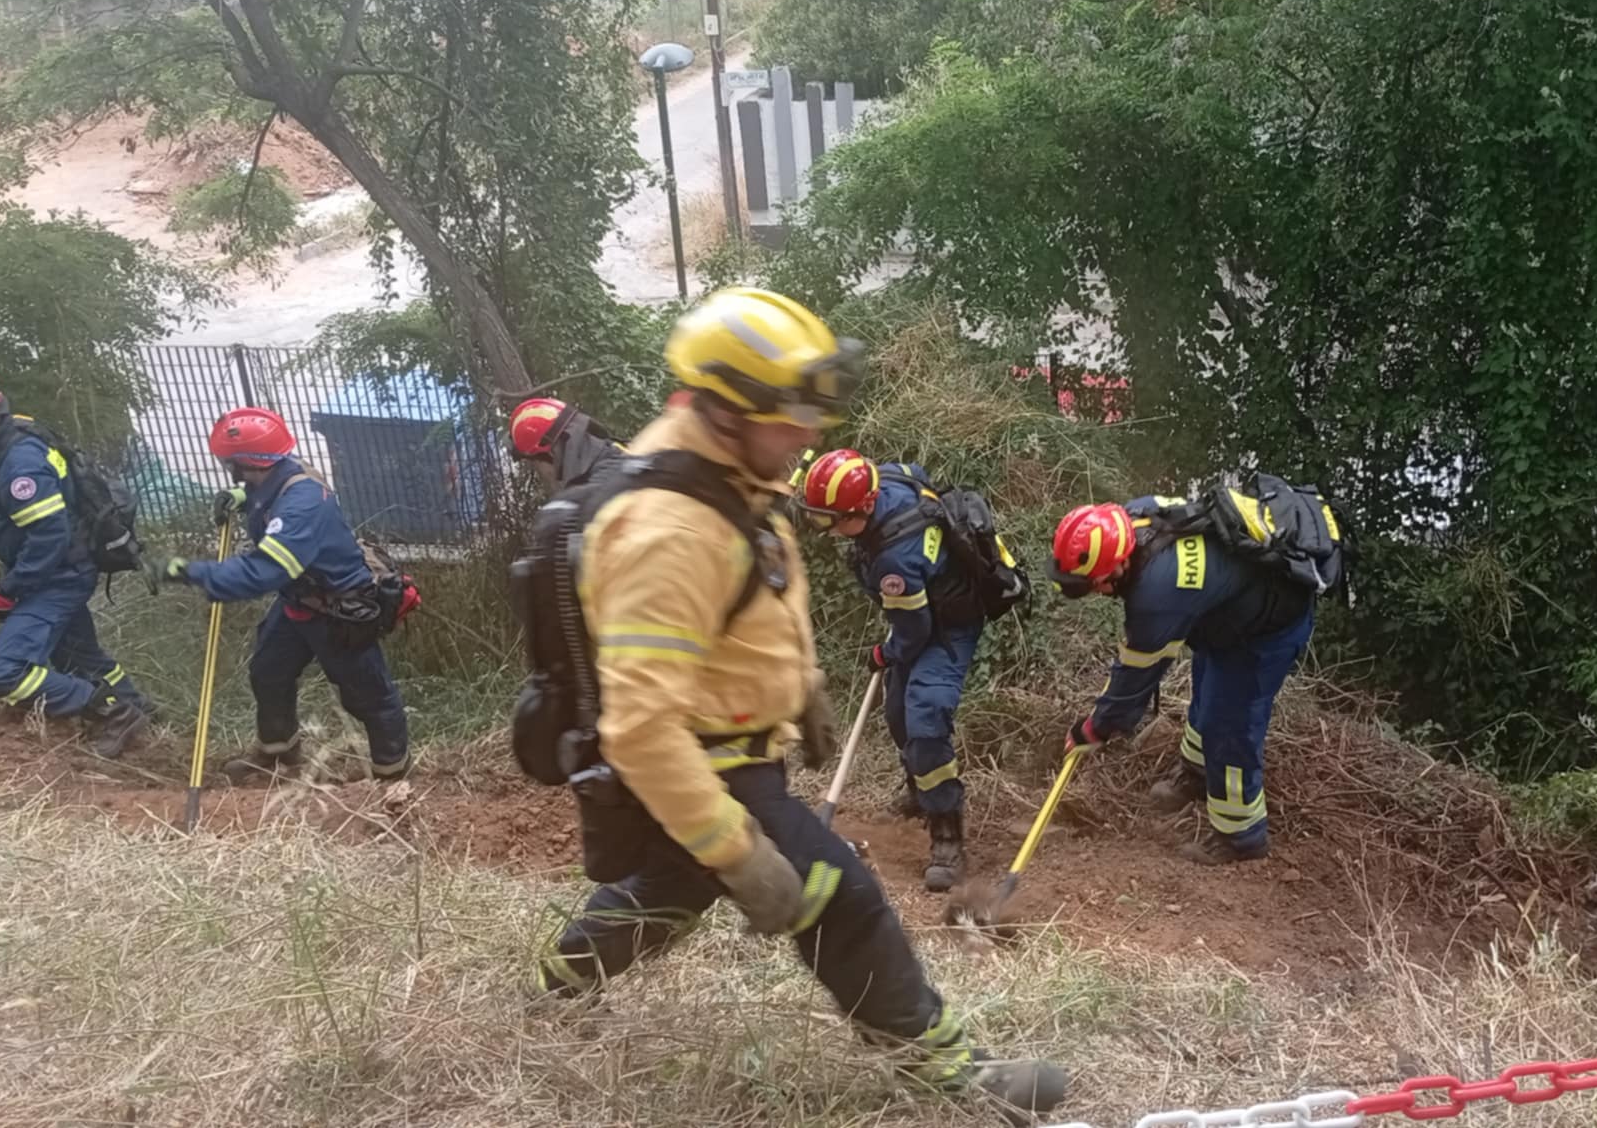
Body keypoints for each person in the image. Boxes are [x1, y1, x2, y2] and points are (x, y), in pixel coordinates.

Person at [535, 287, 1067, 1118]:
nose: (809, 434)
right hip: (703, 768)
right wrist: (735, 845)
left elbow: (754, 604)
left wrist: (800, 692)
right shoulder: (670, 530)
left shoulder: (734, 475)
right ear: (720, 408)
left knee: (669, 890)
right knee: (841, 900)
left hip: (740, 747)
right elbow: (640, 727)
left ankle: (560, 979)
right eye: (791, 416)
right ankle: (951, 1073)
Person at [1051, 495, 1321, 864]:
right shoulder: (1133, 518)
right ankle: (1196, 774)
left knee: (1229, 723)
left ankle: (1240, 835)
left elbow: (1134, 680)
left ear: (1116, 565)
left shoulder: (1158, 595)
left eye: (1090, 585)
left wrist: (1095, 728)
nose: (1092, 593)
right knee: (1207, 691)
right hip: (1221, 611)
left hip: (1267, 627)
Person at [160, 407, 414, 784]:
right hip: (299, 601)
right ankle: (278, 753)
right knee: (269, 672)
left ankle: (392, 778)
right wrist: (240, 496)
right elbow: (268, 490)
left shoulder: (301, 506)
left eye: (229, 463)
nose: (226, 466)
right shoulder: (278, 474)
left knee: (369, 696)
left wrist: (191, 572)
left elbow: (263, 572)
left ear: (244, 461)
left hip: (339, 610)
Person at [0, 366, 150, 757]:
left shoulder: (21, 465)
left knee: (4, 673)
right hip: (57, 571)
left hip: (53, 578)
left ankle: (111, 712)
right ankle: (137, 706)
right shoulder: (4, 436)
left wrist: (6, 593)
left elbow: (48, 538)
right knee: (79, 654)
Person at [797, 448, 983, 891]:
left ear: (862, 507)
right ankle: (920, 789)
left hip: (948, 624)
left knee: (924, 718)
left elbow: (913, 629)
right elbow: (916, 472)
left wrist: (887, 652)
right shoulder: (883, 480)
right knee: (897, 710)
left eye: (832, 519)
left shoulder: (897, 559)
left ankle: (946, 832)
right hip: (921, 609)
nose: (828, 529)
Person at [508, 396, 623, 492]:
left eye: (535, 463)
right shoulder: (620, 451)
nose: (542, 474)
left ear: (551, 455)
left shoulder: (580, 505)